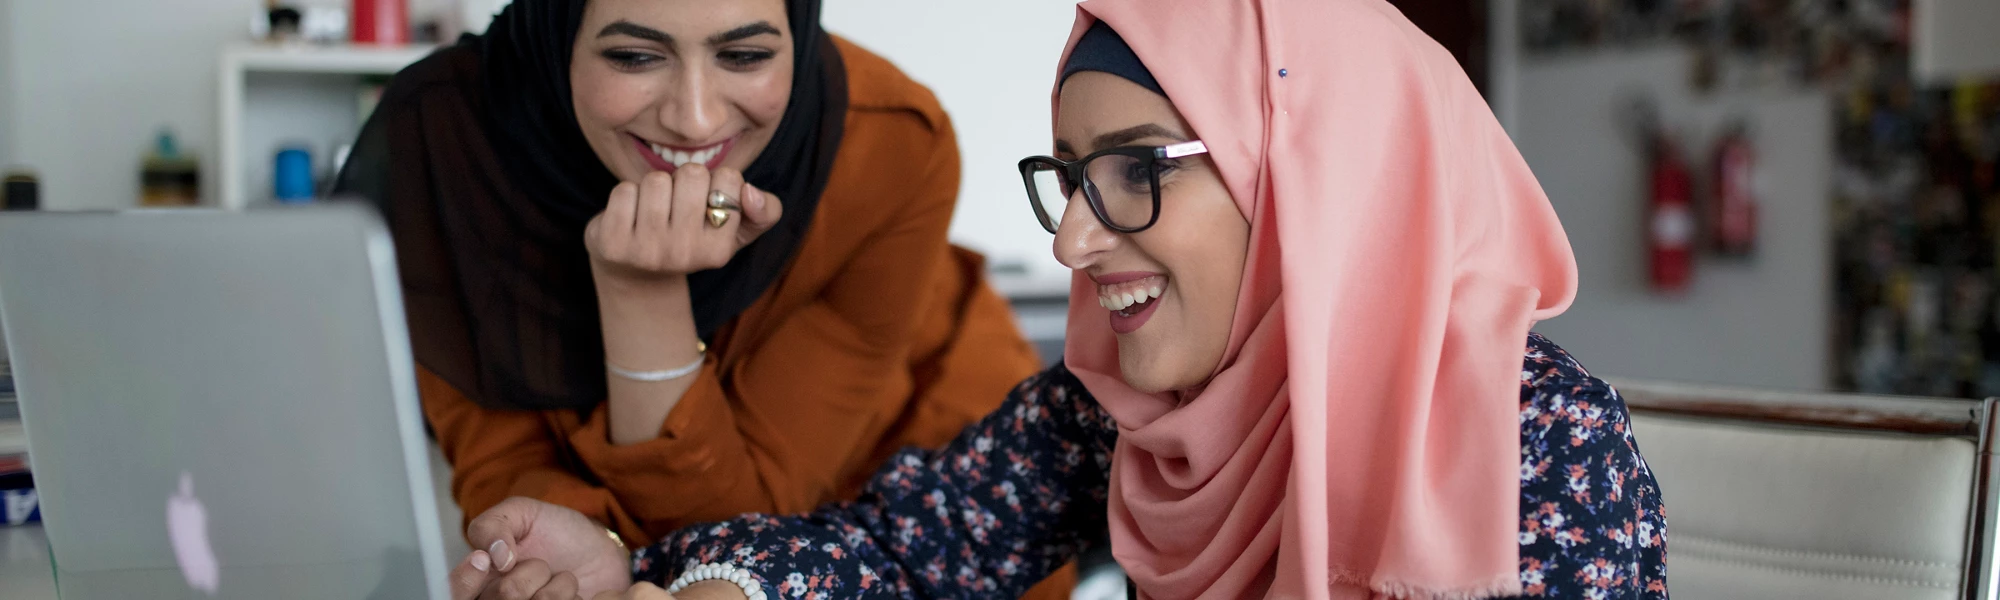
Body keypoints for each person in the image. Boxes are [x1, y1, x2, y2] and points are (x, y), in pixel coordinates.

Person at [448, 0, 1670, 598]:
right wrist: (646, 577)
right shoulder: (1117, 414)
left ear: (1318, 183)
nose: (1079, 238)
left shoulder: (1537, 446)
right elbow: (894, 554)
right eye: (1073, 179)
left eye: (1137, 172)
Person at [334, 0, 1066, 595]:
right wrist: (591, 548)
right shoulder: (439, 144)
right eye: (633, 55)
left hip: (919, 491)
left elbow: (743, 528)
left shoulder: (891, 143)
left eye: (745, 56)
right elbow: (505, 459)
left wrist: (642, 293)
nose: (694, 119)